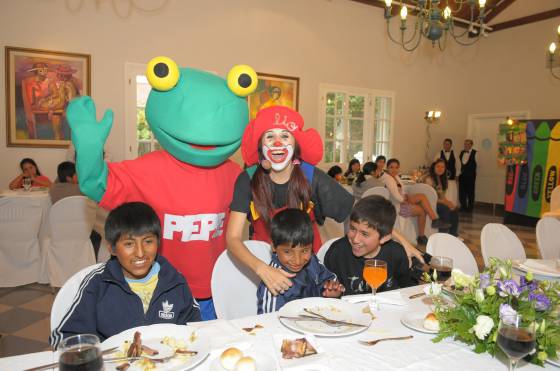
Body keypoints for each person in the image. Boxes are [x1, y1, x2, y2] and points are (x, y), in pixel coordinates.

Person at [66, 59, 258, 321]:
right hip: (161, 291)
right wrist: (88, 151)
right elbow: (96, 184)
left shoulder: (234, 174)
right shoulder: (145, 170)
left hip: (216, 288)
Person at [227, 106, 354, 297]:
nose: (277, 142)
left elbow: (356, 214)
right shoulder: (248, 179)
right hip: (262, 264)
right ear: (261, 145)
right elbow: (232, 238)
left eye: (285, 136)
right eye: (270, 136)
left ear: (295, 145)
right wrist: (262, 269)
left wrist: (400, 240)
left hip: (307, 266)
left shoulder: (310, 176)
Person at [49, 202, 201, 348]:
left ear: (158, 243)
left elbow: (194, 330)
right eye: (129, 244)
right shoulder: (98, 285)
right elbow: (65, 338)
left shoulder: (174, 281)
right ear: (112, 249)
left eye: (148, 241)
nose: (140, 253)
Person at [324, 195, 415, 296]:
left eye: (365, 234)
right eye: (353, 229)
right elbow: (326, 289)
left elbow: (407, 289)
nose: (355, 239)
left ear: (384, 237)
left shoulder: (396, 254)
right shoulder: (337, 252)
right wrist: (332, 294)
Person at [257, 209, 344, 313]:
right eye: (288, 252)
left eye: (305, 250)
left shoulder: (312, 260)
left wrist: (332, 291)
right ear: (274, 247)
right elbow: (269, 322)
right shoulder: (273, 284)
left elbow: (328, 280)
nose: (298, 261)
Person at [381, 158, 448, 245]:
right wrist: (405, 199)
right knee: (421, 206)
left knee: (422, 203)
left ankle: (424, 233)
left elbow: (402, 191)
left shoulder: (396, 177)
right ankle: (430, 225)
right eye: (391, 167)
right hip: (396, 208)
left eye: (396, 167)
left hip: (401, 203)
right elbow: (396, 196)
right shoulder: (388, 179)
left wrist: (406, 197)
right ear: (387, 167)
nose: (394, 169)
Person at [423, 159, 459, 237]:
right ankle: (441, 235)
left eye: (442, 167)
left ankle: (453, 234)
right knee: (445, 208)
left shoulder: (441, 179)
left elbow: (442, 196)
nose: (440, 169)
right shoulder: (429, 179)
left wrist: (449, 203)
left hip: (437, 202)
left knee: (454, 209)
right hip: (429, 203)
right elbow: (430, 197)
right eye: (438, 166)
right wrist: (445, 203)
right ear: (434, 167)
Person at [459, 139, 477, 212]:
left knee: (470, 192)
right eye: (465, 144)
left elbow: (478, 165)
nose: (466, 145)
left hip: (471, 176)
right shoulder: (461, 152)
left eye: (468, 144)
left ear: (471, 145)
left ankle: (470, 208)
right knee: (462, 192)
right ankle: (463, 206)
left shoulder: (475, 153)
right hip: (462, 176)